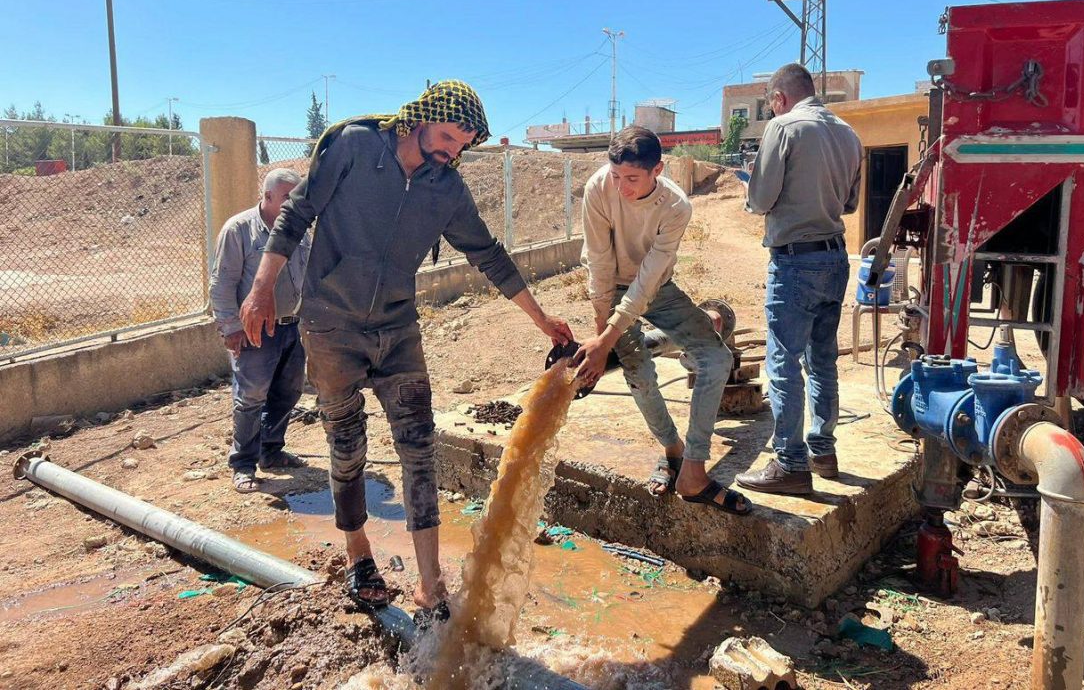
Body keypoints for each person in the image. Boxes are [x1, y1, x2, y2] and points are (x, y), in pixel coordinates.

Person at [238, 81, 572, 623]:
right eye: (448, 137)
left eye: (463, 145)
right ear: (420, 118)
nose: (452, 151)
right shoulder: (354, 146)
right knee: (346, 445)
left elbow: (488, 254)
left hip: (396, 328)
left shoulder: (446, 188)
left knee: (419, 447)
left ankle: (429, 584)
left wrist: (540, 319)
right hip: (330, 326)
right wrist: (260, 289)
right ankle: (359, 556)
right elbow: (296, 214)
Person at [574, 126, 752, 516]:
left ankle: (693, 471)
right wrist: (602, 333)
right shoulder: (598, 187)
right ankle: (673, 450)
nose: (621, 187)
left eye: (632, 179)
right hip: (612, 288)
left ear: (658, 170)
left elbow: (650, 277)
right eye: (616, 175)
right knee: (638, 371)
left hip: (657, 287)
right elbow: (599, 264)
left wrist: (607, 340)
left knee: (717, 359)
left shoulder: (676, 206)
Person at [734, 63, 863, 496]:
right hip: (835, 257)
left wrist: (750, 187)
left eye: (771, 104)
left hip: (794, 261)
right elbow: (849, 204)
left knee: (784, 363)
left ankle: (790, 464)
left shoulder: (783, 127)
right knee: (822, 360)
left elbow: (761, 199)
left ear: (778, 98)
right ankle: (823, 452)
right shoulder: (849, 134)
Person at [209, 168, 310, 494]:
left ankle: (271, 450)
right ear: (267, 197)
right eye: (287, 198)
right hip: (254, 331)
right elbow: (222, 284)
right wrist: (230, 328)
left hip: (292, 326)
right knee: (251, 398)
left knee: (289, 391)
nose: (294, 204)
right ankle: (243, 464)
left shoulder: (299, 230)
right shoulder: (239, 230)